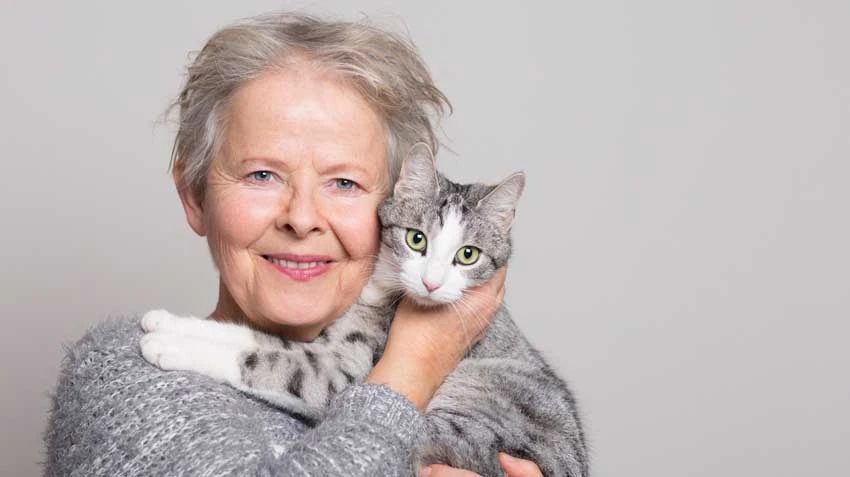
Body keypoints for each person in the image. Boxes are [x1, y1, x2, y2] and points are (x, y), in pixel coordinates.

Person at [45, 11, 544, 477]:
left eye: (344, 183)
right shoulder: (122, 375)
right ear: (194, 197)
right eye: (262, 175)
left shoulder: (484, 392)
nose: (301, 219)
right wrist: (411, 370)